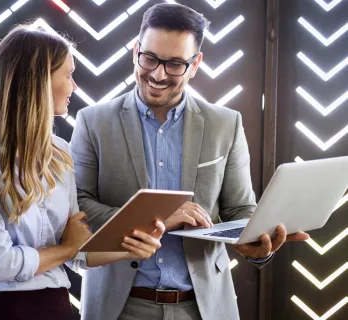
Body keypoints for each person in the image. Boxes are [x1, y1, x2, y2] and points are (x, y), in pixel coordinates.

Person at [70, 3, 309, 320]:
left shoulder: (226, 124)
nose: (158, 74)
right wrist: (159, 218)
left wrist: (257, 244)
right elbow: (77, 208)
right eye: (150, 58)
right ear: (135, 51)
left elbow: (239, 210)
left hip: (204, 308)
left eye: (175, 65)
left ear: (196, 64)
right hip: (119, 307)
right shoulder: (93, 121)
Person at [0, 25, 165, 320]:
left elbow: (79, 252)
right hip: (4, 312)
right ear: (36, 81)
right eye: (68, 75)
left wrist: (130, 248)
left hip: (59, 309)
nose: (74, 86)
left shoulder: (59, 151)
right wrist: (66, 249)